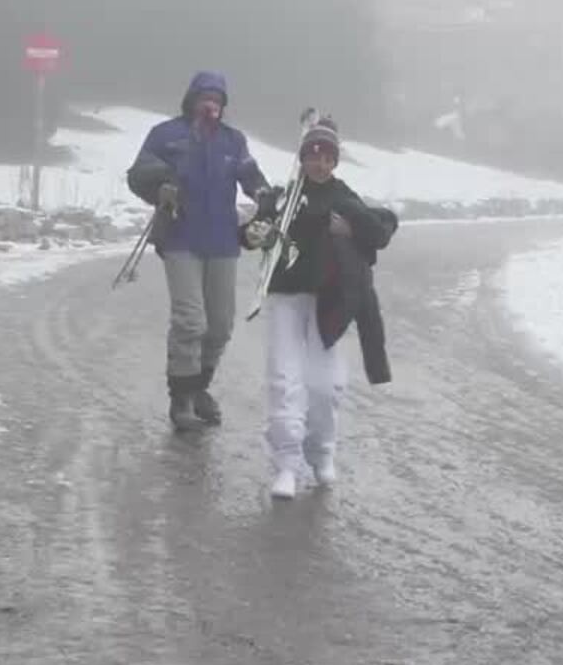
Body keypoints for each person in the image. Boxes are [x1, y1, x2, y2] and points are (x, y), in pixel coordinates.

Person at [240, 118, 398, 501]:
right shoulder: (284, 197)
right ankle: (287, 464)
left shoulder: (342, 196)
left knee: (324, 386)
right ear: (303, 158)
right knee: (284, 379)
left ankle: (322, 452)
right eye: (313, 156)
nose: (320, 164)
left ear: (335, 161)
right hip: (285, 297)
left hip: (327, 302)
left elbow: (379, 231)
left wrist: (352, 231)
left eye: (327, 158)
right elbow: (251, 233)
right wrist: (254, 234)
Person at [127, 71, 272, 432]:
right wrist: (161, 184)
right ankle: (181, 401)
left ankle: (199, 388)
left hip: (223, 240)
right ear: (191, 100)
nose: (211, 105)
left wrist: (265, 195)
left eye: (217, 100)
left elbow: (251, 176)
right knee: (191, 320)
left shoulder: (233, 141)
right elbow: (139, 172)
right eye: (205, 98)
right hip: (180, 238)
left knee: (220, 325)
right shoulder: (166, 135)